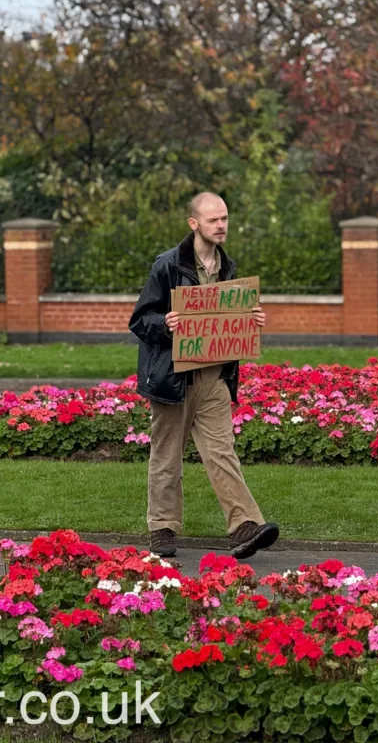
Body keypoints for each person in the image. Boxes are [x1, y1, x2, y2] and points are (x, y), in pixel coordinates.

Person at [128, 191, 279, 560]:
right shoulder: (167, 266)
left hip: (213, 374)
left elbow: (224, 320)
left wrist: (251, 319)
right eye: (213, 220)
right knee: (167, 456)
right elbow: (139, 320)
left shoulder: (228, 267)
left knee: (222, 451)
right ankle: (162, 529)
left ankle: (244, 526)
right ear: (194, 224)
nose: (221, 225)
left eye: (224, 218)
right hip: (173, 377)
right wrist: (165, 323)